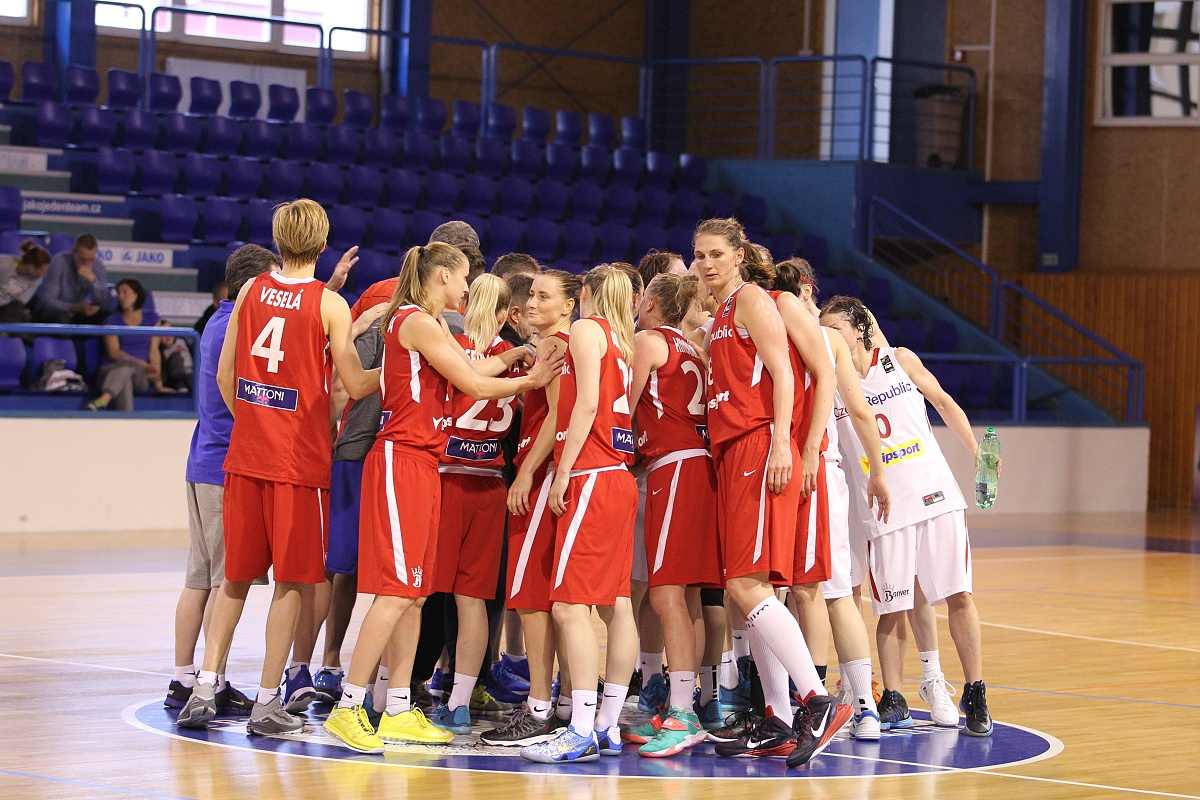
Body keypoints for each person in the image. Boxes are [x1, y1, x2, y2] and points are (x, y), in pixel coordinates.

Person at [322, 242, 560, 753]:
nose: (467, 286)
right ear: (443, 276)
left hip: (424, 462)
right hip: (401, 458)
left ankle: (398, 708)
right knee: (395, 592)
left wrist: (510, 358)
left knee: (414, 594)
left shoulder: (423, 325)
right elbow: (472, 381)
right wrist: (532, 378)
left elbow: (462, 369)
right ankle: (349, 705)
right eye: (464, 277)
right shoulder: (418, 321)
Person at [176, 199, 380, 735]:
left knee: (235, 580)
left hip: (245, 458)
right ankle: (268, 701)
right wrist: (402, 364)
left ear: (278, 238)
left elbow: (226, 375)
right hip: (298, 466)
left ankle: (204, 687)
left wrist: (256, 422)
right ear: (323, 242)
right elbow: (355, 385)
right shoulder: (330, 305)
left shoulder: (248, 290)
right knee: (291, 584)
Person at [693, 217, 850, 769]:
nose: (706, 263)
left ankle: (818, 701)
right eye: (700, 254)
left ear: (739, 256)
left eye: (716, 253)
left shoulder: (756, 300)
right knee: (751, 592)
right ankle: (779, 718)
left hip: (758, 445)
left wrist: (786, 442)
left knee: (749, 584)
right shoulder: (720, 314)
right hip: (733, 449)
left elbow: (785, 372)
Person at [820, 295, 993, 737]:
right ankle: (894, 696)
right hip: (884, 507)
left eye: (835, 327)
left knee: (958, 594)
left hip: (935, 493)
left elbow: (944, 401)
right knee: (891, 607)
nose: (828, 335)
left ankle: (975, 690)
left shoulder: (899, 360)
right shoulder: (829, 382)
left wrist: (977, 453)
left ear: (859, 328)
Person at [519, 264, 639, 765]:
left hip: (591, 474)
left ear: (584, 293)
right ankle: (608, 723)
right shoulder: (624, 341)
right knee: (617, 603)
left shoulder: (588, 330)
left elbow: (586, 405)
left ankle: (581, 728)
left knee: (569, 607)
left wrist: (563, 470)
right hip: (619, 476)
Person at [775, 259, 891, 740]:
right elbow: (860, 412)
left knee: (814, 591)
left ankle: (833, 701)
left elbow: (860, 411)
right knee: (815, 591)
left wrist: (877, 471)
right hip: (809, 467)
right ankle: (851, 704)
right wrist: (877, 471)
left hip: (808, 467)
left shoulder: (803, 335)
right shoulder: (813, 336)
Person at [164, 245, 277, 717]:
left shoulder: (216, 319)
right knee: (222, 583)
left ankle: (184, 678)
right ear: (252, 286)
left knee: (197, 579)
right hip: (223, 469)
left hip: (201, 462)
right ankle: (211, 682)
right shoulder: (241, 327)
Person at [622, 273, 721, 758]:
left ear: (654, 305)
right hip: (701, 466)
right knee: (691, 595)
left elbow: (624, 405)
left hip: (675, 467)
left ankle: (682, 712)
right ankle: (687, 702)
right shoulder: (694, 349)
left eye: (642, 298)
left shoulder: (648, 341)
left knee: (664, 593)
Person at [426, 273, 528, 735]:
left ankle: (388, 694)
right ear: (507, 314)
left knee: (413, 598)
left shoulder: (448, 346)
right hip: (489, 486)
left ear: (465, 306)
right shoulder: (516, 361)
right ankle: (461, 702)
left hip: (445, 479)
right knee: (473, 603)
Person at [481, 269, 579, 747]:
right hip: (551, 475)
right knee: (548, 599)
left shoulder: (556, 345)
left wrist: (525, 473)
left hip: (540, 478)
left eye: (544, 296)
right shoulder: (558, 345)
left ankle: (538, 707)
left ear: (569, 306)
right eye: (532, 295)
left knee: (531, 598)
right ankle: (561, 703)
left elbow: (558, 416)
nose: (533, 303)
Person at [86, 279, 162, 411]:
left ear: (136, 295)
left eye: (125, 292)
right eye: (118, 293)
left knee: (127, 369)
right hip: (110, 371)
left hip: (140, 375)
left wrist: (158, 383)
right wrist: (141, 363)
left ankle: (104, 399)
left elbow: (154, 351)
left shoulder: (152, 319)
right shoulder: (111, 321)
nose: (120, 296)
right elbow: (114, 353)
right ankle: (126, 417)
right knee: (125, 371)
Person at [32, 234, 113, 324]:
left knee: (105, 315)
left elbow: (105, 302)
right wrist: (72, 307)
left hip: (77, 313)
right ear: (73, 253)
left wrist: (94, 281)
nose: (87, 263)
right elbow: (47, 302)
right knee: (61, 318)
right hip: (53, 312)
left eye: (91, 259)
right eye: (83, 259)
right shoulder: (60, 261)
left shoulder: (98, 266)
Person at [0, 240, 51, 323]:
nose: (43, 274)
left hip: (5, 307)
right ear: (31, 265)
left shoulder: (37, 280)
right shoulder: (4, 263)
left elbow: (20, 302)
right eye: (41, 270)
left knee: (16, 309)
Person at [157, 319, 194, 393]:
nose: (167, 336)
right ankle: (181, 387)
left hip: (190, 373)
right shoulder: (159, 350)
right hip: (174, 378)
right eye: (163, 333)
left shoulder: (182, 341)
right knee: (176, 356)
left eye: (170, 331)